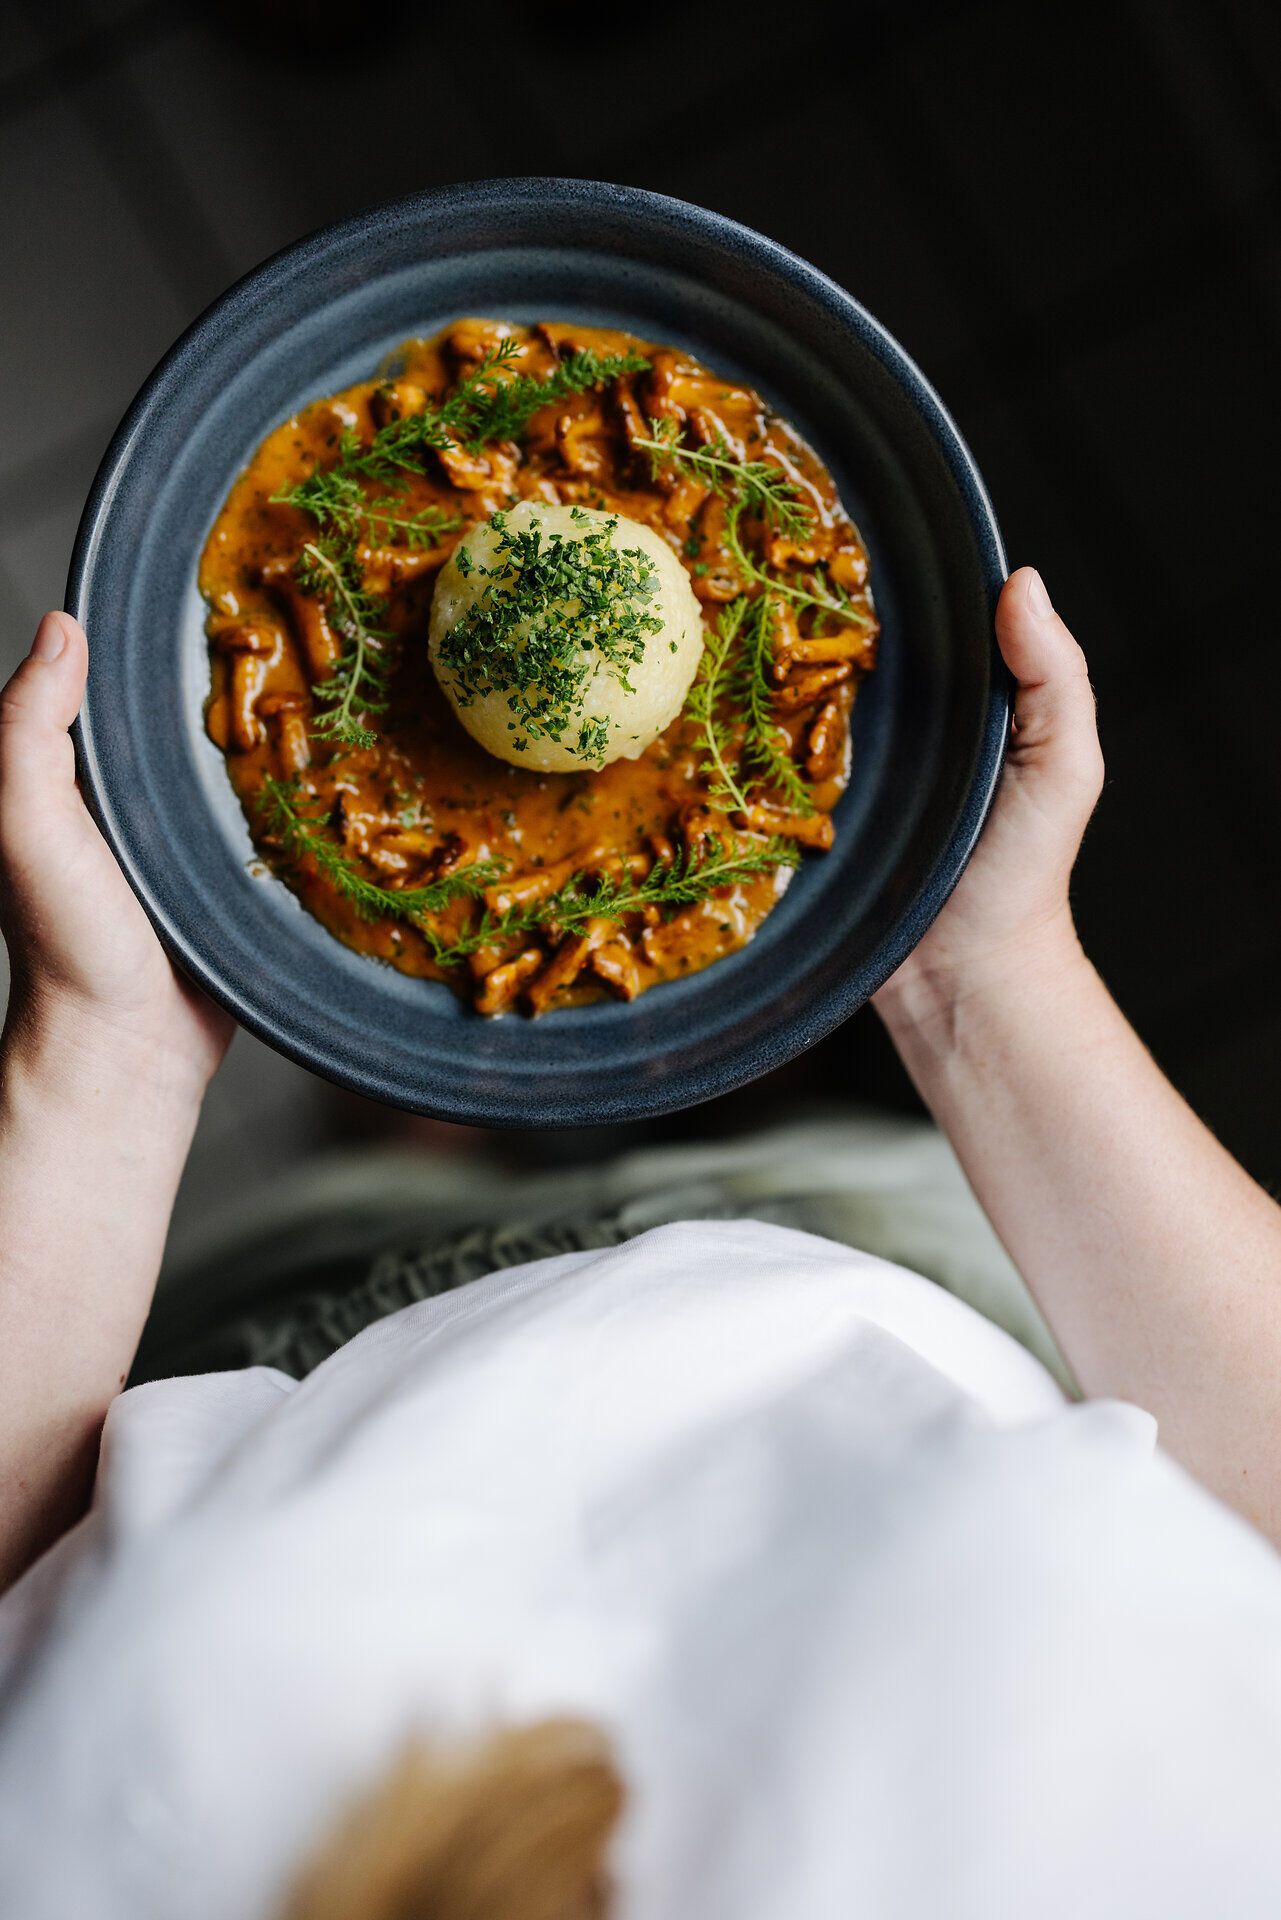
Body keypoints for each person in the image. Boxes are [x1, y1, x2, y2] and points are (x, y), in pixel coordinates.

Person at [2, 570, 1281, 1919]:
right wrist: (977, 980)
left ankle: (435, 1095)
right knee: (790, 1133)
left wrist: (111, 1048)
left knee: (374, 1169)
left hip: (280, 1347)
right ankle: (633, 1021)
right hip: (930, 1270)